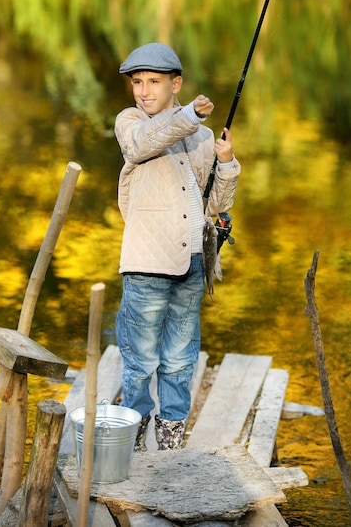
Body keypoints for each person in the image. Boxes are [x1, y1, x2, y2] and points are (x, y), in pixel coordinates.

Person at [114, 42, 241, 451]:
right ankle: (131, 437)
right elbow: (143, 145)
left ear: (176, 83)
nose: (144, 91)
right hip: (147, 262)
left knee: (180, 359)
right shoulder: (131, 122)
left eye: (154, 81)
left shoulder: (200, 135)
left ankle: (170, 440)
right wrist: (187, 116)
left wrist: (225, 163)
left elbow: (217, 204)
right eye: (138, 82)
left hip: (192, 261)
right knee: (140, 358)